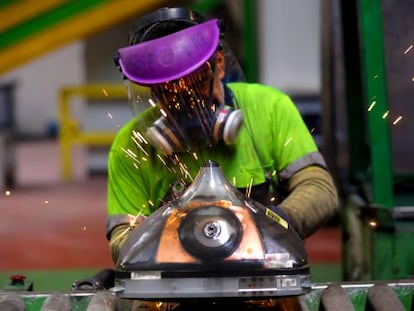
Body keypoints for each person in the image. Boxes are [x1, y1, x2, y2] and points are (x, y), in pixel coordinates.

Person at [107, 6, 339, 265]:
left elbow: (320, 189)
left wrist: (271, 225)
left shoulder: (268, 108)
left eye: (194, 88)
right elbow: (122, 238)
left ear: (218, 66)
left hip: (263, 270)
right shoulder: (132, 145)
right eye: (169, 95)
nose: (185, 106)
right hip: (176, 281)